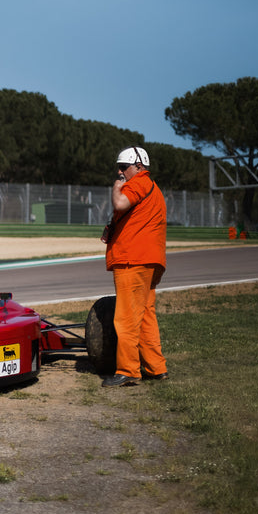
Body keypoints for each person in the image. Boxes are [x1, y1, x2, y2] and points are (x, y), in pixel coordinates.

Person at [101, 146, 169, 387]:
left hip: (133, 260)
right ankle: (156, 367)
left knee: (126, 318)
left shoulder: (137, 182)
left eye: (124, 167)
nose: (120, 172)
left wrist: (116, 186)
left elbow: (120, 203)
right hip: (150, 261)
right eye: (118, 168)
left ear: (139, 166)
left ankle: (128, 370)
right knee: (145, 315)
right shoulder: (153, 188)